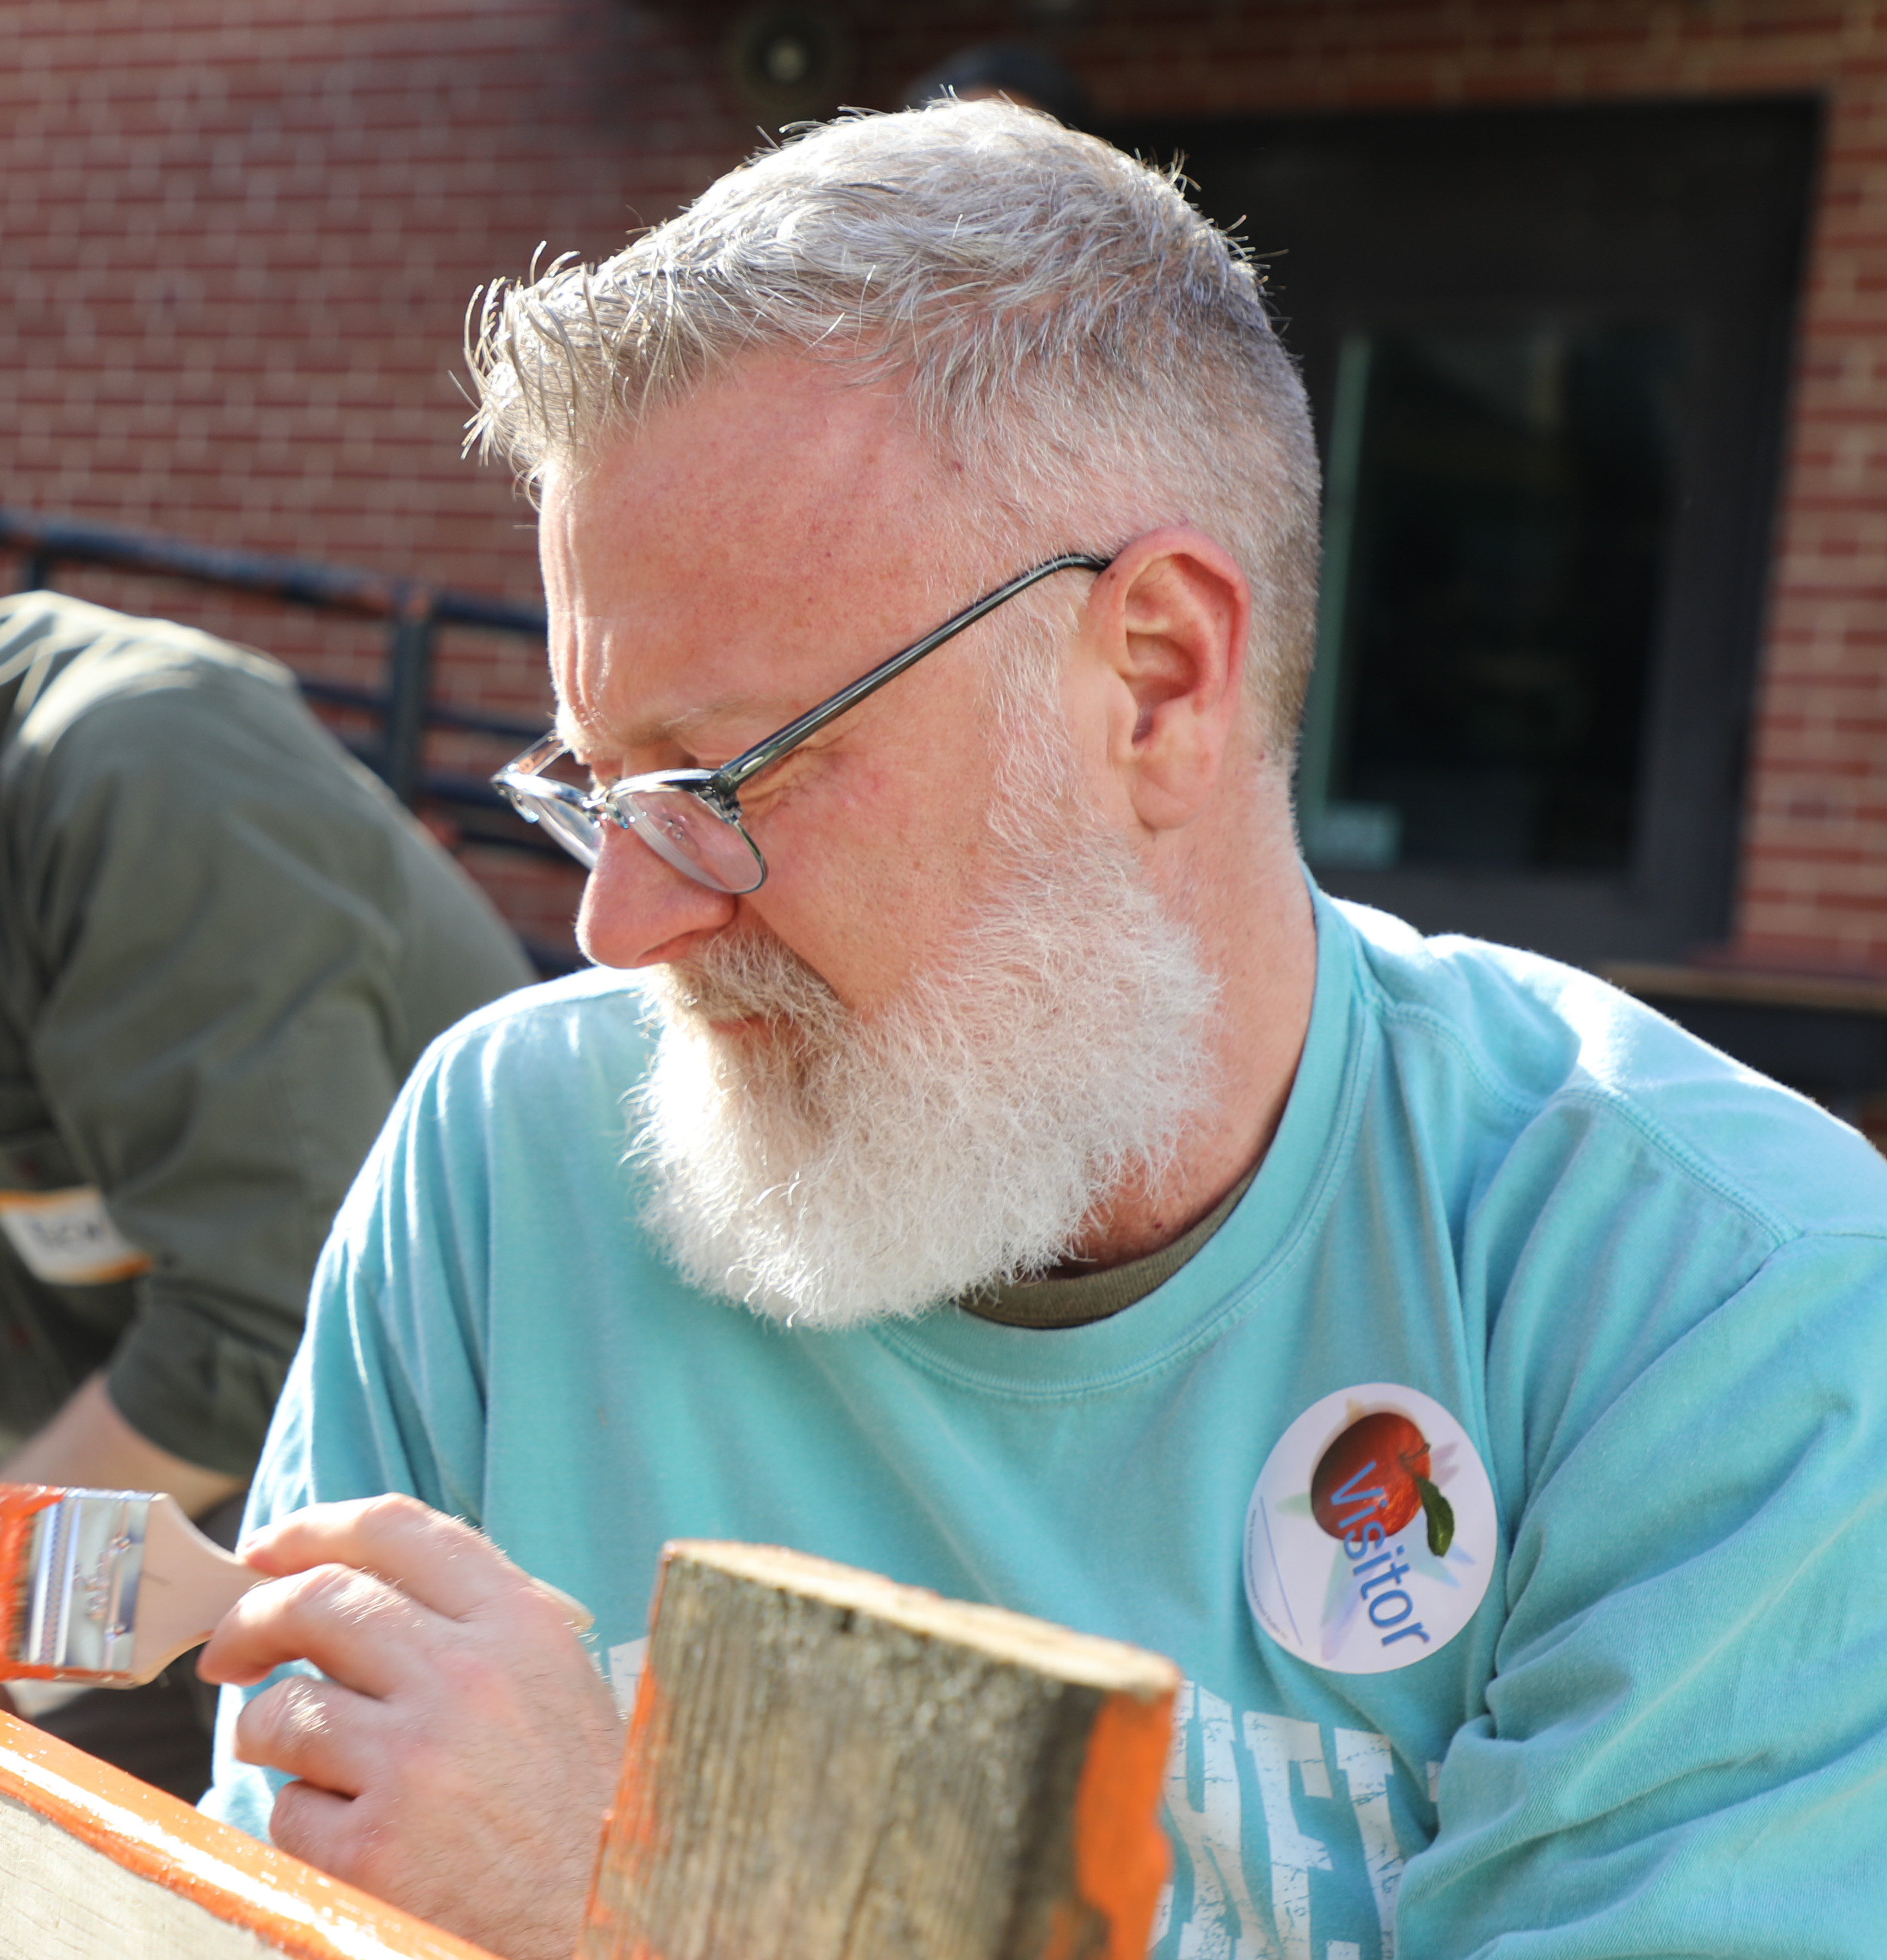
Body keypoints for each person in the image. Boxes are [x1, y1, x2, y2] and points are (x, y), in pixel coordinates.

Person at [199, 102, 1887, 1960]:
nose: (622, 920)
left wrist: (622, 1909)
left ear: (1156, 680)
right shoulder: (511, 1162)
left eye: (725, 779)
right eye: (597, 791)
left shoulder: (1723, 1307)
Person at [0, 589, 533, 1797]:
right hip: (134, 1521)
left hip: (417, 1520)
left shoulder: (145, 769)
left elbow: (262, 1309)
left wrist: (14, 1580)